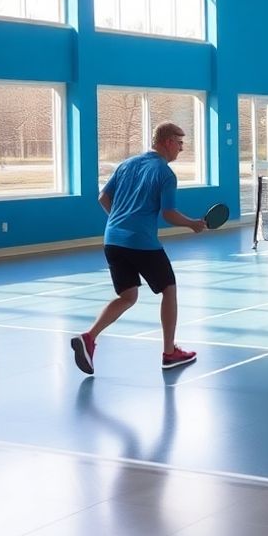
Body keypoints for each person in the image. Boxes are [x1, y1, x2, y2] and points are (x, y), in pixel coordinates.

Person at [70, 122, 206, 375]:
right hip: (141, 242)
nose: (181, 148)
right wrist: (192, 224)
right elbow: (168, 214)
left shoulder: (126, 164)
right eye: (179, 142)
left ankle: (89, 337)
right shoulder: (165, 173)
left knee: (128, 296)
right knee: (169, 289)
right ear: (167, 142)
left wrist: (119, 220)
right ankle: (169, 352)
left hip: (112, 240)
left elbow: (103, 197)